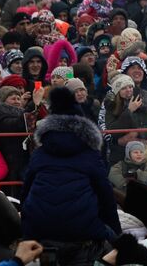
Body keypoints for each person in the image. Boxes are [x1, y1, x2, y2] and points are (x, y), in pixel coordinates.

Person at [21, 87, 120, 243]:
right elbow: (105, 195)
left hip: (39, 227)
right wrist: (116, 234)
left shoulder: (40, 154)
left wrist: (26, 230)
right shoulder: (90, 154)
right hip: (83, 228)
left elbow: (25, 191)